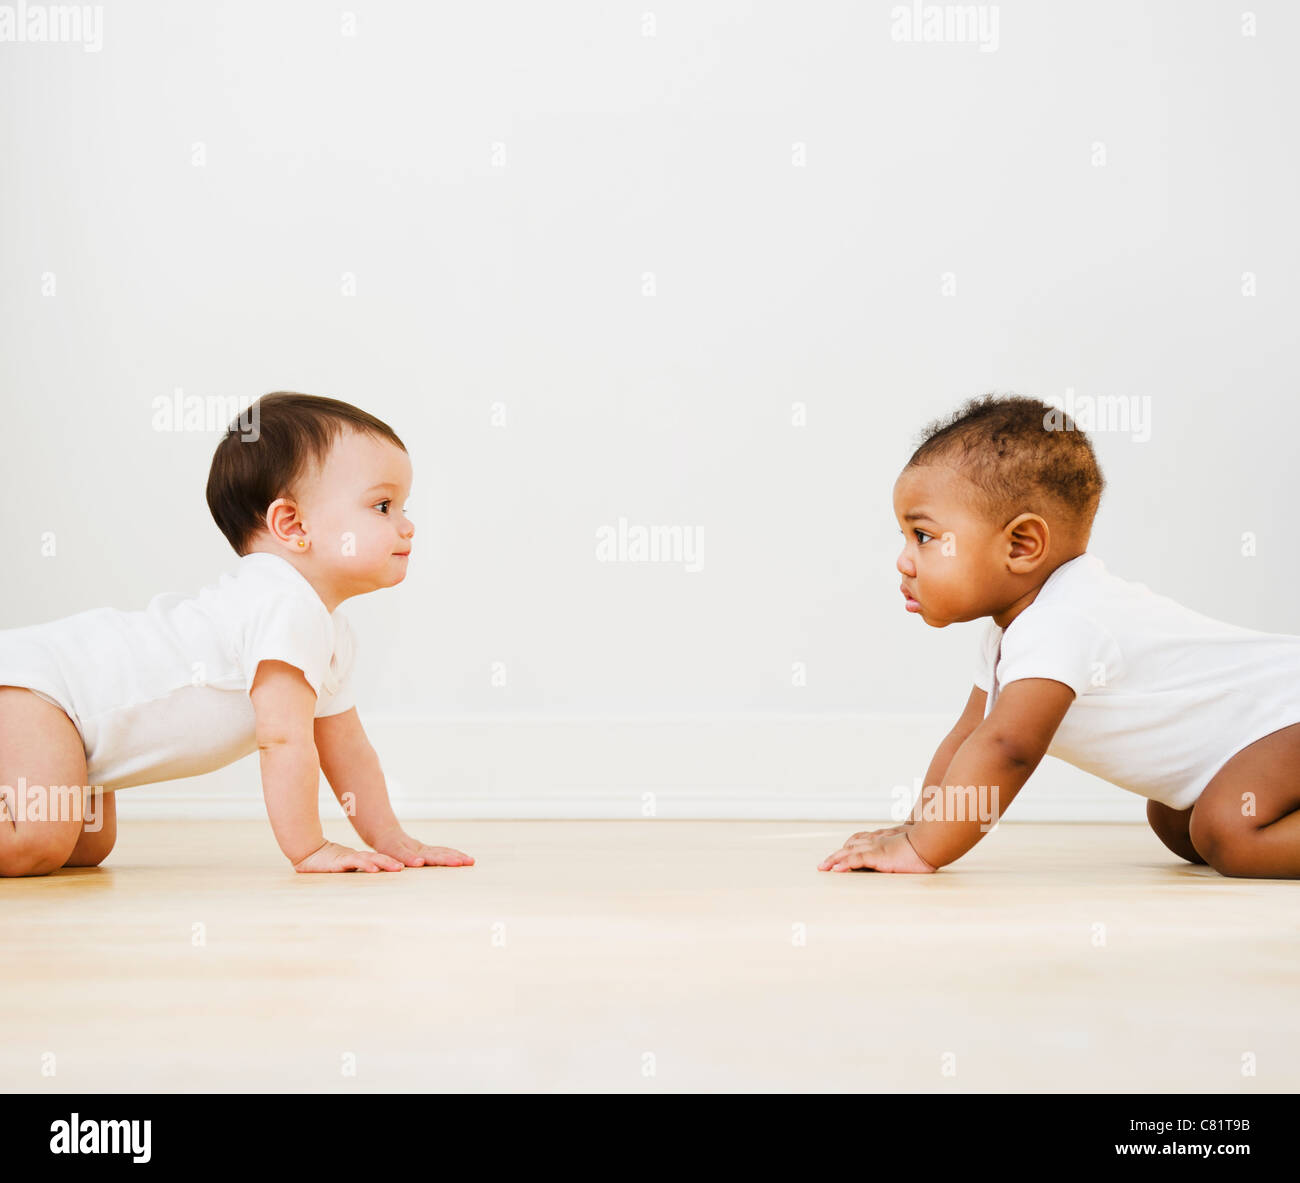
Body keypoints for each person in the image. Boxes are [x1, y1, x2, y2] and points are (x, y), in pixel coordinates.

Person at [819, 394, 1300, 878]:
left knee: (1229, 832)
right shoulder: (1015, 630)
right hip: (1267, 734)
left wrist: (924, 849)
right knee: (1177, 820)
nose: (903, 560)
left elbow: (1008, 749)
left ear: (1022, 545)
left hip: (1289, 709)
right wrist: (915, 827)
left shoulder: (1063, 621)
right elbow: (969, 737)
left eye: (922, 536)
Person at [0, 391, 473, 876]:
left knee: (86, 847)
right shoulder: (282, 603)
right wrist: (309, 848)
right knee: (36, 840)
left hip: (74, 723)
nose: (407, 525)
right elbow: (283, 741)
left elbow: (348, 750)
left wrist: (394, 840)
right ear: (291, 524)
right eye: (382, 506)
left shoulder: (327, 628)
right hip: (40, 690)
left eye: (403, 506)